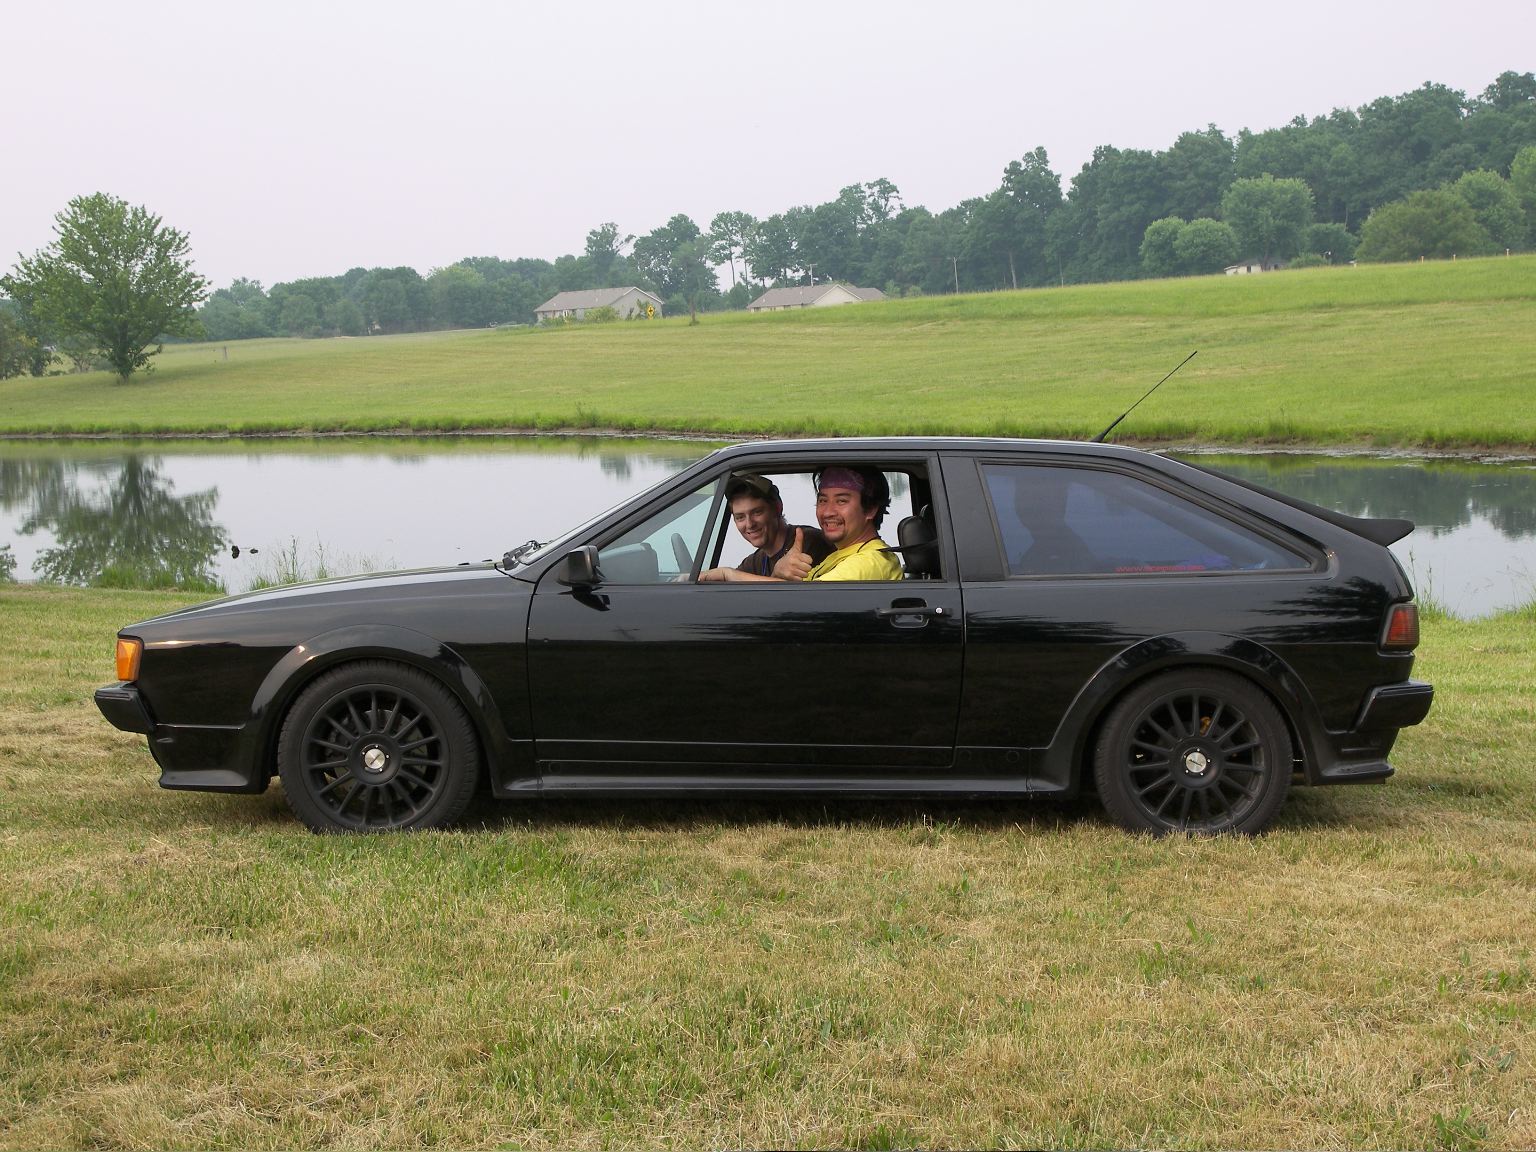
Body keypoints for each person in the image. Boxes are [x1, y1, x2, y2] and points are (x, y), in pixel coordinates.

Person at [704, 466, 902, 583]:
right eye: (823, 500)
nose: (828, 512)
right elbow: (794, 592)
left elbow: (803, 600)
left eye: (841, 501)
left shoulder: (869, 562)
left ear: (870, 509)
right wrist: (778, 574)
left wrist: (728, 575)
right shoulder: (840, 556)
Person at [697, 474, 830, 582]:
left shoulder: (809, 542)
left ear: (777, 508)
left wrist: (727, 574)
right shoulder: (755, 561)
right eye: (740, 517)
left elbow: (795, 598)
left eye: (757, 512)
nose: (749, 524)